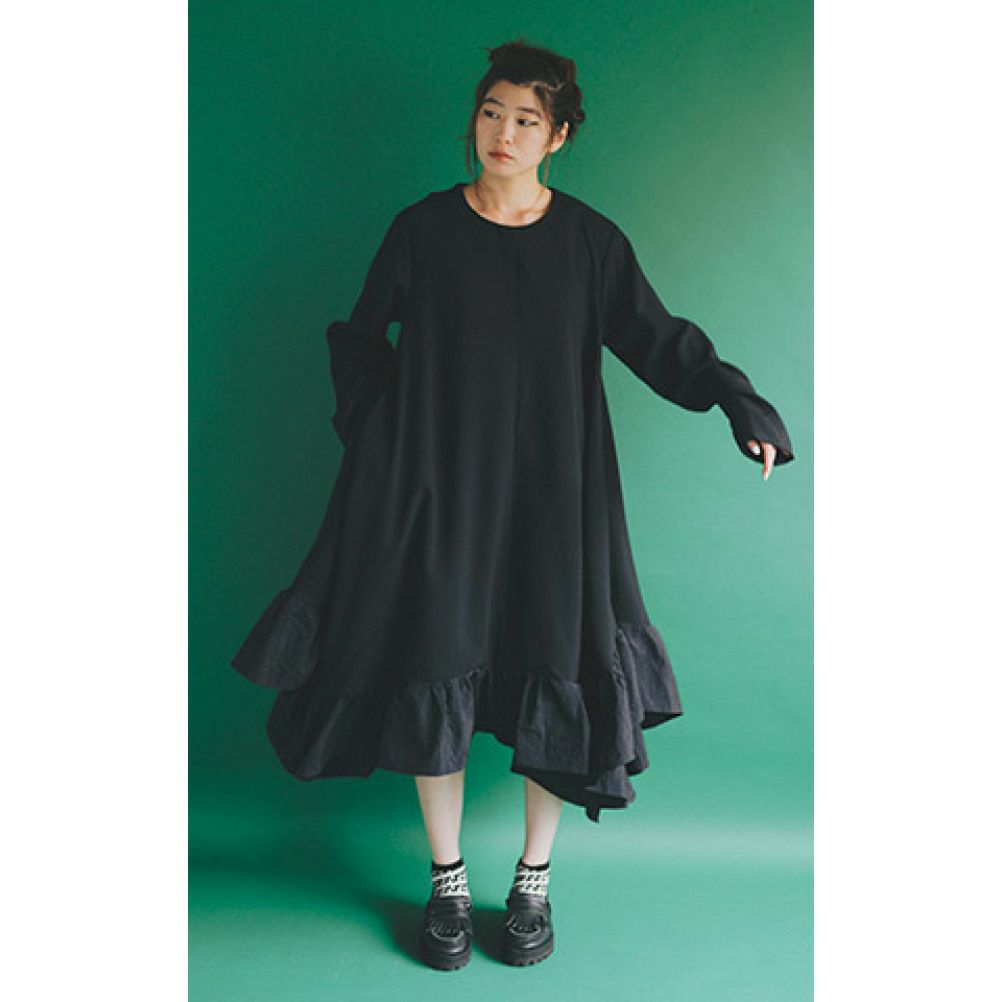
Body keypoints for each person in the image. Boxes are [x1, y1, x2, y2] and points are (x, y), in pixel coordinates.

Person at [230, 38, 795, 972]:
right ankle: (447, 881)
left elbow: (660, 340)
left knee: (557, 671)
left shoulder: (590, 243)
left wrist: (740, 402)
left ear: (558, 136)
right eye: (491, 112)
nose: (502, 132)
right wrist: (379, 433)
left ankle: (533, 880)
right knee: (435, 665)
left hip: (554, 502)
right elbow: (356, 339)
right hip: (436, 495)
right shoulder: (421, 229)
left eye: (526, 119)